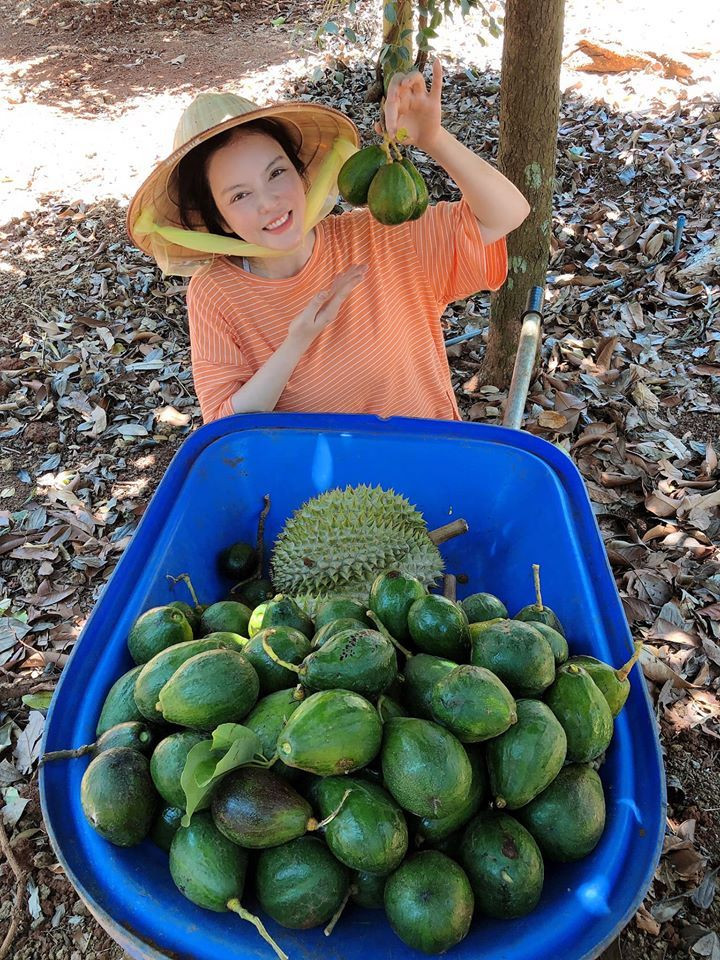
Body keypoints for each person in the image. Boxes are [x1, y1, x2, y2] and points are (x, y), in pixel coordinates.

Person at [127, 60, 530, 423]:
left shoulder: (380, 235)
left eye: (276, 173)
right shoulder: (216, 292)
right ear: (217, 218)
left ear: (301, 173)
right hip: (318, 481)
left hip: (430, 463)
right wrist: (297, 341)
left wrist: (434, 139)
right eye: (240, 195)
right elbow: (225, 426)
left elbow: (508, 214)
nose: (269, 203)